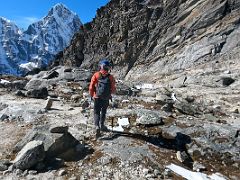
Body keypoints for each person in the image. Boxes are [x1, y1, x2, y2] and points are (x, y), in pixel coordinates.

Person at [89, 59, 116, 138]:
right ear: (108, 67)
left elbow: (91, 87)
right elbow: (113, 89)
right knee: (103, 111)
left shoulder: (96, 75)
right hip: (106, 98)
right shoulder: (111, 77)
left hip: (97, 97)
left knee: (96, 112)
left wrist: (92, 95)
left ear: (101, 66)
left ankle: (97, 126)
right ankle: (102, 126)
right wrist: (109, 94)